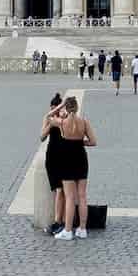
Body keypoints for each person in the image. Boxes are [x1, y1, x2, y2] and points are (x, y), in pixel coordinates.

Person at [53, 96, 96, 241]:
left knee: (70, 197)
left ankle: (68, 230)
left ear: (66, 107)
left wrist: (60, 107)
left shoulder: (62, 122)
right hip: (81, 158)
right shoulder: (84, 122)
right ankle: (82, 229)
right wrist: (80, 143)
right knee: (82, 195)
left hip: (67, 159)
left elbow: (48, 117)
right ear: (77, 108)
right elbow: (93, 141)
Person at [41, 92, 68, 234]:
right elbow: (42, 137)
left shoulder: (65, 118)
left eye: (55, 109)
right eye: (52, 109)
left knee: (61, 190)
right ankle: (60, 221)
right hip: (52, 157)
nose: (53, 112)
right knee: (58, 190)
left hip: (64, 156)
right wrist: (51, 124)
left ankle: (60, 221)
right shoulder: (49, 119)